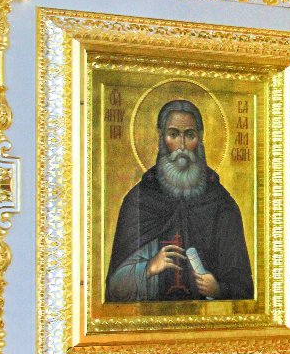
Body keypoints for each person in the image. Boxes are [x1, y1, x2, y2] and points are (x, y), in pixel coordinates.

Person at [105, 99, 254, 302]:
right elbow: (114, 290)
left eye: (189, 135)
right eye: (173, 134)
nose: (182, 146)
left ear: (200, 138)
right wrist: (148, 268)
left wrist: (220, 290)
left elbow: (244, 289)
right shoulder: (140, 201)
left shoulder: (221, 205)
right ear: (161, 138)